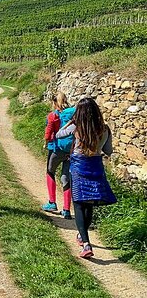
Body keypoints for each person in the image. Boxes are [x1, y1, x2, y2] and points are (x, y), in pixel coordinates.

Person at [56, 97, 116, 259]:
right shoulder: (104, 129)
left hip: (78, 166)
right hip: (95, 165)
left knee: (79, 203)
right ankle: (83, 237)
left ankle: (86, 243)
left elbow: (59, 135)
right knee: (89, 202)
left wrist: (69, 122)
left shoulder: (76, 126)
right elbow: (108, 151)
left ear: (79, 113)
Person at [42, 92, 76, 219]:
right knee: (66, 177)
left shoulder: (53, 115)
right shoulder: (72, 114)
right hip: (71, 150)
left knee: (50, 171)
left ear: (55, 102)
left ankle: (52, 202)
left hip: (56, 148)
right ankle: (66, 209)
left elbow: (49, 131)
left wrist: (46, 143)